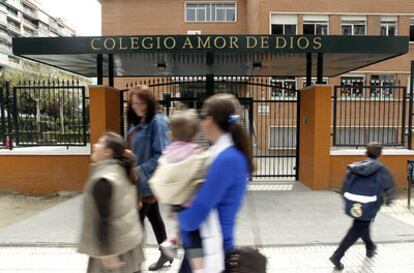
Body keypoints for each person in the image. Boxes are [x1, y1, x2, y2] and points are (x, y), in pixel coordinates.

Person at [178, 93, 254, 273]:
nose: (201, 123)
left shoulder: (226, 158)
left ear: (211, 120)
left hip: (211, 251)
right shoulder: (221, 153)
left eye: (202, 117)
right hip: (207, 245)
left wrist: (179, 214)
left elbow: (198, 211)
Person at [149, 109, 210, 273]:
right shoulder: (196, 152)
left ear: (171, 134)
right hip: (189, 202)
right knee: (194, 237)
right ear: (194, 135)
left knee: (181, 228)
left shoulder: (169, 151)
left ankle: (172, 242)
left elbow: (171, 177)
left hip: (174, 200)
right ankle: (199, 268)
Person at [78, 132, 145, 273]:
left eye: (100, 143)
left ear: (108, 152)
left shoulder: (103, 179)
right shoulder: (124, 171)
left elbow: (102, 219)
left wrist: (107, 252)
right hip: (129, 245)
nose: (95, 145)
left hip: (113, 250)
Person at [329, 142, 397, 271]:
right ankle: (337, 255)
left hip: (354, 203)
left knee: (362, 224)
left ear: (365, 153)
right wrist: (389, 200)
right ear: (380, 155)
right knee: (358, 228)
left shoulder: (356, 167)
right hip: (370, 204)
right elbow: (390, 186)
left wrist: (347, 200)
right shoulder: (382, 169)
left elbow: (344, 186)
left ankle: (370, 247)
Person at [127, 85, 172, 271]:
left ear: (149, 103)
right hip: (137, 182)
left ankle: (135, 263)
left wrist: (138, 170)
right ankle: (167, 252)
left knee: (134, 222)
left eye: (141, 103)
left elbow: (162, 155)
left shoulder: (158, 122)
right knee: (154, 218)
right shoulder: (137, 122)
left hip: (147, 182)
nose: (137, 106)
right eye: (134, 103)